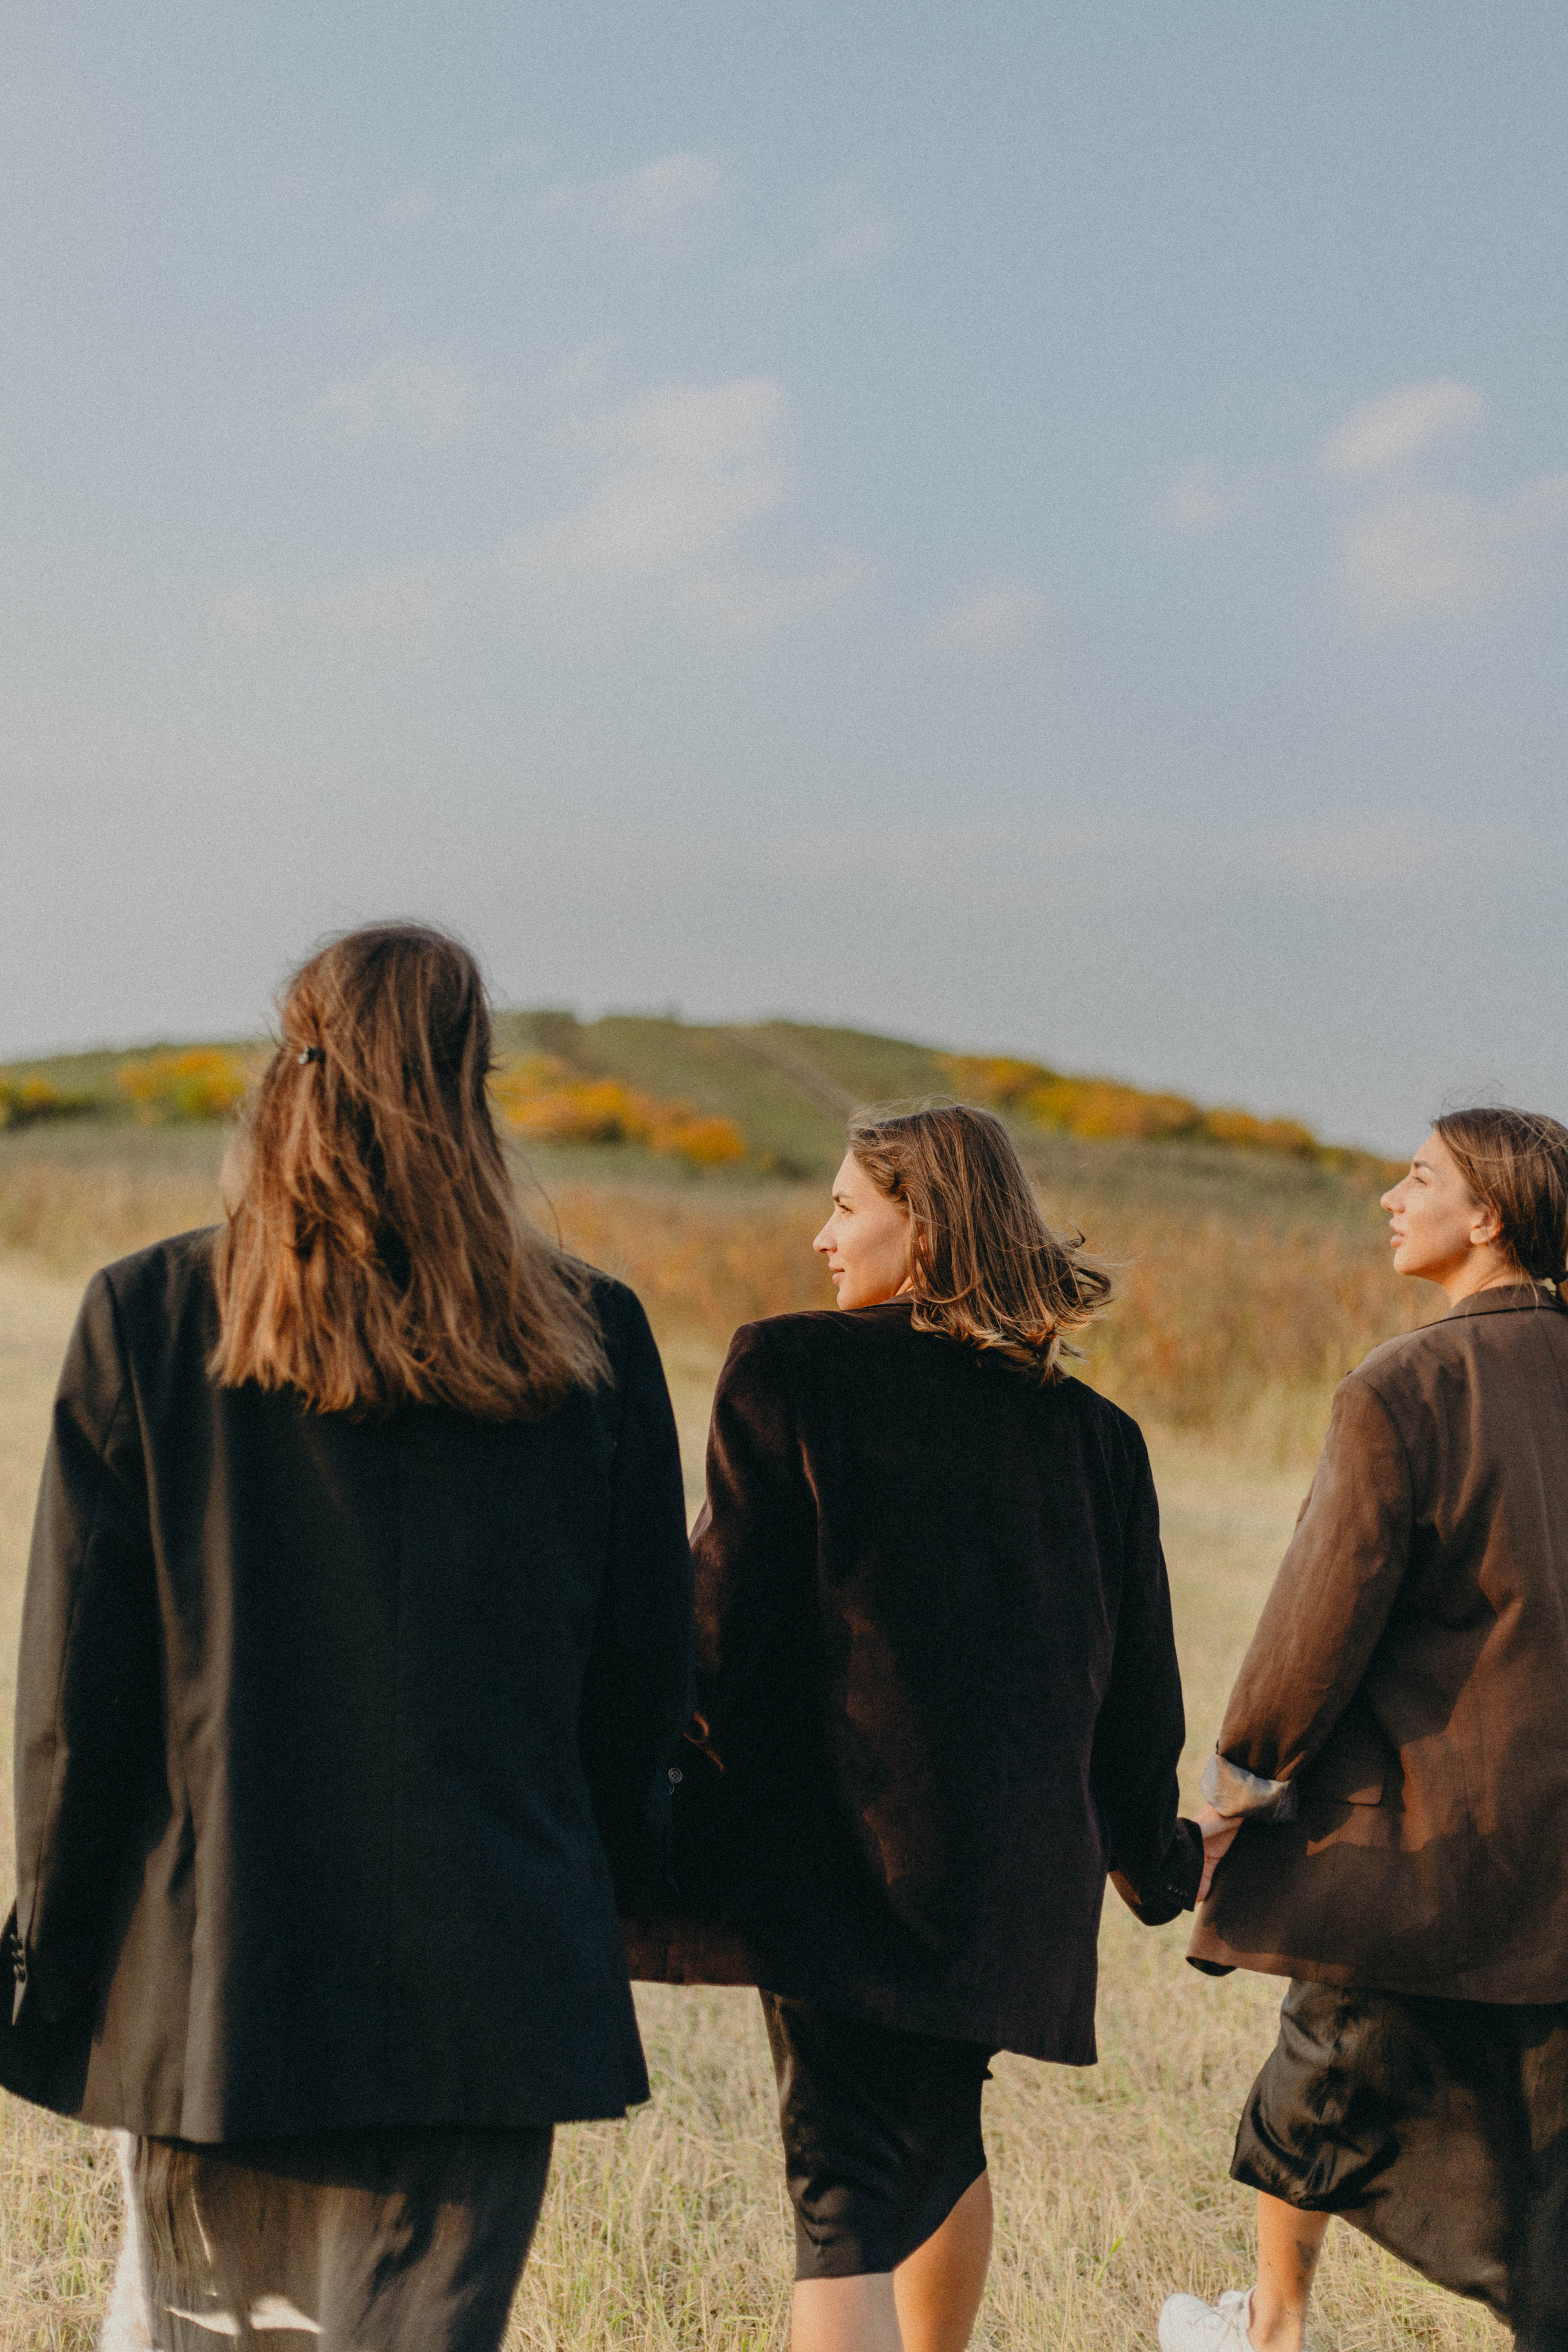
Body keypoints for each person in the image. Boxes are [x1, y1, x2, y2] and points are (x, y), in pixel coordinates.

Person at [0, 923, 693, 2352]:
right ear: (473, 1088)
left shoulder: (145, 1315)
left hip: (210, 1979)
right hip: (491, 1978)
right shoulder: (596, 1342)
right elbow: (642, 1686)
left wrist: (57, 1956)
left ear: (285, 1074)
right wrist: (599, 1892)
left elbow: (78, 1706)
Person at [630, 1102, 1205, 2352]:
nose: (821, 1236)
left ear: (925, 1226)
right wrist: (1155, 1863)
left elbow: (719, 1623)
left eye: (846, 1208)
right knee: (938, 2134)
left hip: (837, 1846)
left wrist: (635, 1781)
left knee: (840, 2180)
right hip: (1005, 1872)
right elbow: (1136, 1685)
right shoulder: (1095, 1437)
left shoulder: (789, 1368)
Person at [1161, 1107, 1568, 2352]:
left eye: (1415, 1178)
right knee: (1546, 2157)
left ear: (1485, 1214)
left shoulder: (1402, 1386)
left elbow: (1314, 1620)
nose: (1390, 1200)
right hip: (1556, 1859)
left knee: (1319, 2077)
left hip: (1419, 1835)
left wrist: (1238, 1785)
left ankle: (1267, 2331)